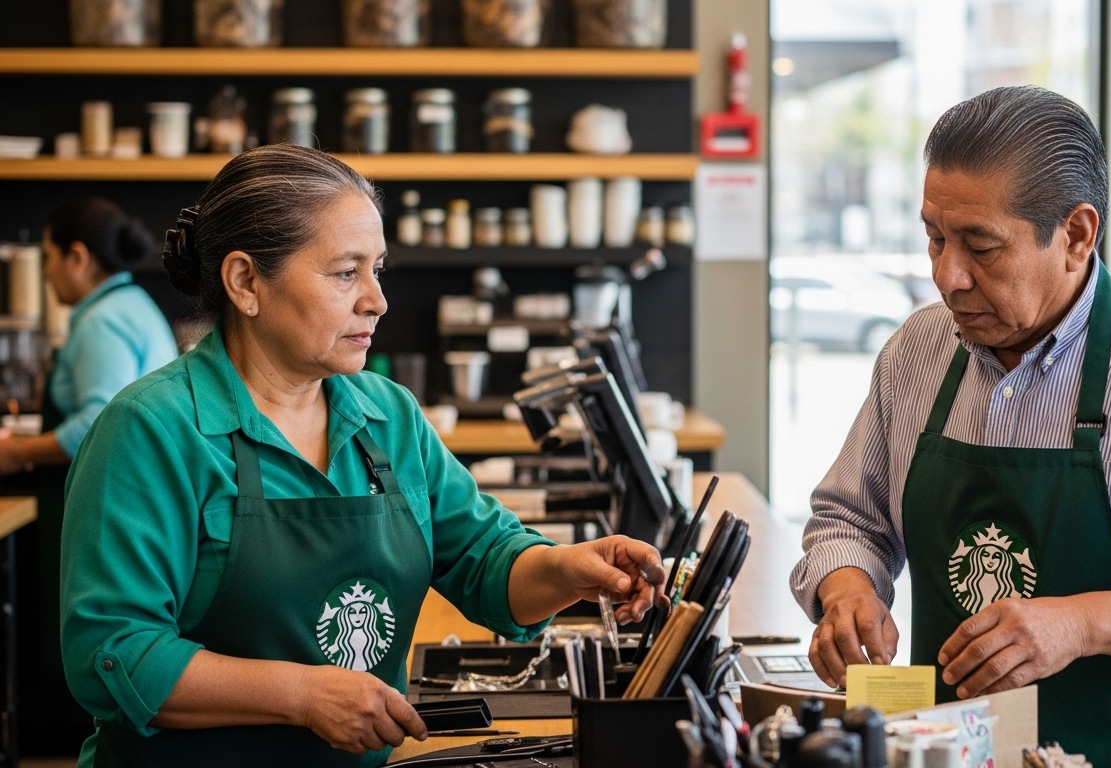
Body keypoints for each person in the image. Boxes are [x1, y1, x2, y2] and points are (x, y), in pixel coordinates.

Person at [59, 144, 666, 768]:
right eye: (345, 273)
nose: (376, 300)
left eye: (377, 270)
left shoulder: (387, 414)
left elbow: (486, 561)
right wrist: (301, 696)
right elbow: (113, 653)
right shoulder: (151, 429)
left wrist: (567, 569)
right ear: (245, 282)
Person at [789, 86, 1111, 766]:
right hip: (952, 751)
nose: (947, 276)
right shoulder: (917, 351)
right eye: (935, 238)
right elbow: (848, 518)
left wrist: (1082, 623)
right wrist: (848, 588)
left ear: (1076, 236)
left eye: (981, 246)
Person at [4, 198, 178, 751]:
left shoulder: (103, 321)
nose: (47, 272)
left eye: (50, 257)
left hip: (107, 497)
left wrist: (15, 452)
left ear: (78, 258)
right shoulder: (130, 303)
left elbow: (93, 423)